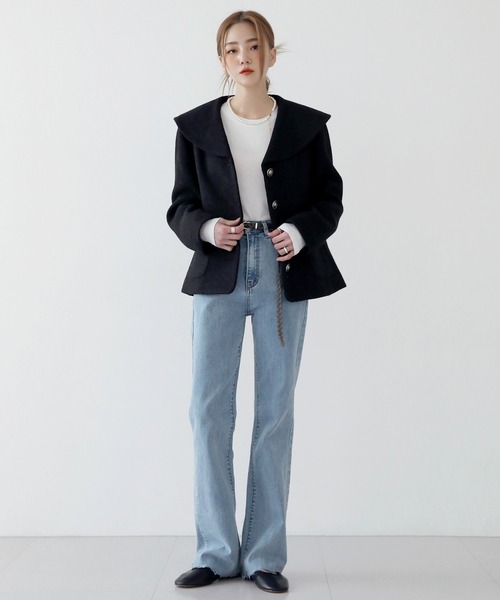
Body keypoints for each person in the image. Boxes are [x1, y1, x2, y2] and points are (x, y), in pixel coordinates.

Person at [167, 10, 345, 594]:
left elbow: (330, 199)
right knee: (207, 411)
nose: (242, 57)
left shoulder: (305, 126)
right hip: (219, 270)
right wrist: (205, 228)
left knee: (275, 411)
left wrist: (300, 231)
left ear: (271, 53)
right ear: (221, 59)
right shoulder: (196, 127)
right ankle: (216, 553)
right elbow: (179, 205)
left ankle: (264, 555)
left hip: (281, 270)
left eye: (252, 46)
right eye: (231, 49)